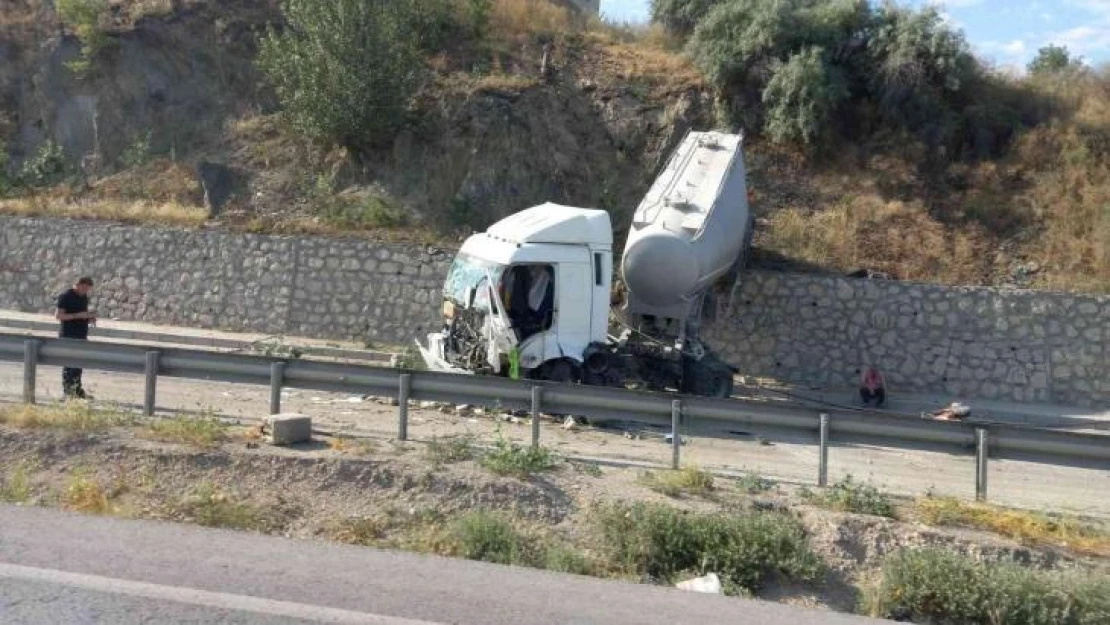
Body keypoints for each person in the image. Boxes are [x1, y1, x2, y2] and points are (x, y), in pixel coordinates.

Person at [55, 277, 96, 399]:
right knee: (69, 365)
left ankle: (77, 390)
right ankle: (67, 392)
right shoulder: (65, 296)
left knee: (78, 365)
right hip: (68, 334)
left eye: (88, 289)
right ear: (77, 285)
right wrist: (78, 315)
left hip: (81, 334)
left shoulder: (83, 297)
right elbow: (58, 316)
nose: (86, 291)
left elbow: (81, 315)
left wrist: (89, 318)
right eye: (84, 288)